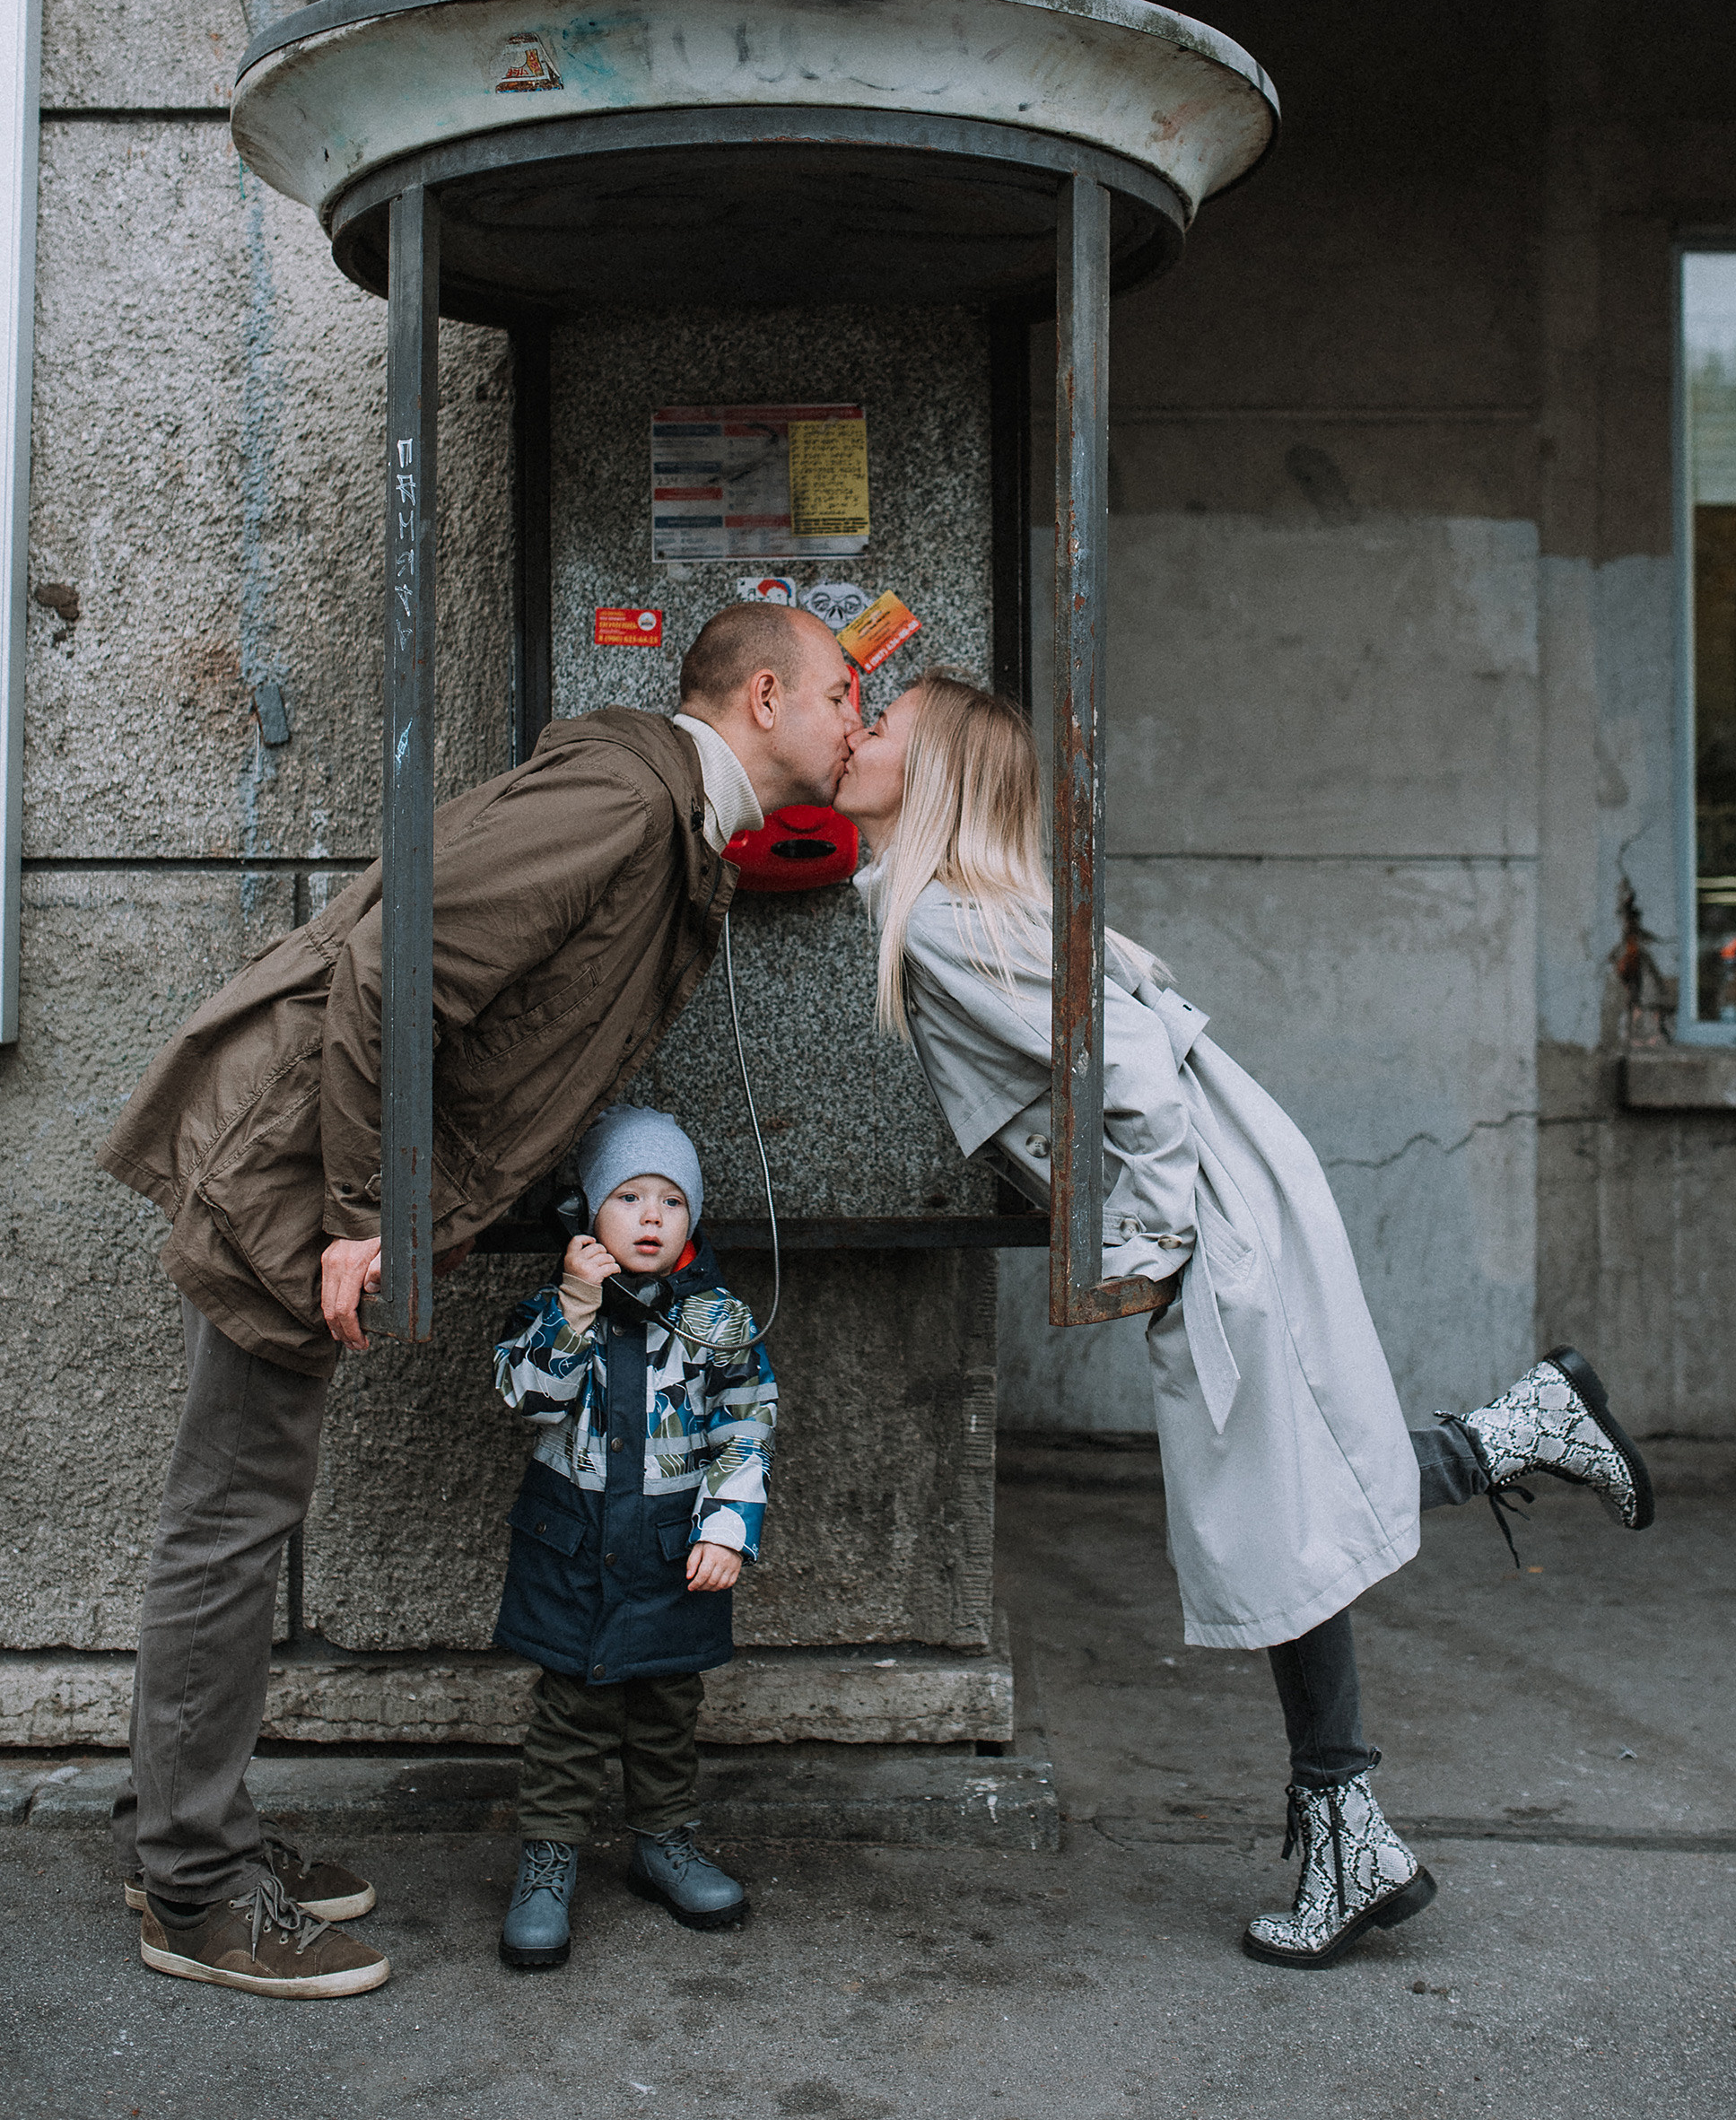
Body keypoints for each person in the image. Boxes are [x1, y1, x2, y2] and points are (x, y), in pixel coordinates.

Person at [833, 671, 1654, 1971]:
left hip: (1210, 1210)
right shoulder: (958, 903)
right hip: (1231, 1192)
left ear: (930, 778)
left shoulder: (939, 915)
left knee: (1272, 1518)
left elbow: (1135, 1072)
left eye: (877, 724)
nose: (852, 733)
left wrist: (1153, 1241)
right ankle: (1357, 1815)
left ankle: (1505, 1460)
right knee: (1282, 1512)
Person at [99, 602, 851, 1999]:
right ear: (764, 695)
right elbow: (397, 966)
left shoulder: (663, 815)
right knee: (229, 1521)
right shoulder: (630, 803)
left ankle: (190, 1838)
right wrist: (362, 1211)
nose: (860, 717)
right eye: (845, 691)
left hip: (313, 1169)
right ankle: (193, 1887)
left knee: (234, 1514)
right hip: (296, 1177)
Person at [489, 1105, 773, 1965]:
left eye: (671, 1201)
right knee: (568, 1714)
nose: (651, 1217)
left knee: (665, 1705)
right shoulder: (552, 1312)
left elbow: (746, 1424)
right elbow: (525, 1398)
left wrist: (727, 1528)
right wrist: (574, 1307)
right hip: (573, 1543)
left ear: (694, 1218)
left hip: (667, 1547)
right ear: (583, 1212)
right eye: (628, 1195)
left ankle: (664, 1841)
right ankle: (548, 1859)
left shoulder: (718, 1321)